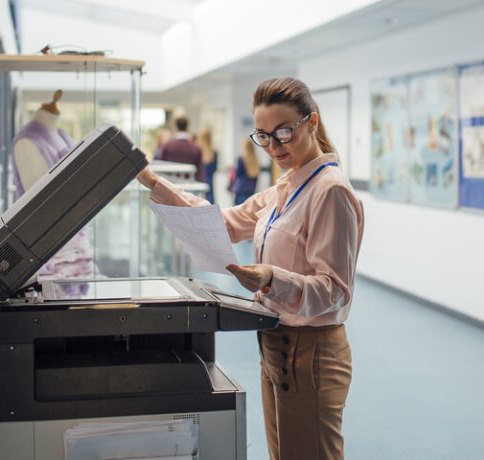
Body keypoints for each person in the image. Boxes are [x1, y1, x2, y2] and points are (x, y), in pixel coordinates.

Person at [138, 77, 364, 460]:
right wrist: (152, 181)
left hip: (312, 353)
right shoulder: (287, 186)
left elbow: (334, 290)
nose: (273, 147)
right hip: (276, 343)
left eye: (284, 133)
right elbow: (223, 222)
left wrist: (272, 278)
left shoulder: (330, 191)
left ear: (312, 123)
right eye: (263, 136)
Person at [11, 89, 94, 281]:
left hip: (77, 244)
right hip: (52, 251)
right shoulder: (27, 141)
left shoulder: (62, 134)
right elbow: (42, 204)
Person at [158, 115, 204, 181]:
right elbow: (200, 171)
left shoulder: (167, 146)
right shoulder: (196, 148)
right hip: (190, 186)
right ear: (187, 126)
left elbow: (162, 168)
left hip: (171, 186)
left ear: (175, 127)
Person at [231, 138, 260, 205]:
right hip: (250, 190)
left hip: (240, 189)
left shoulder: (241, 159)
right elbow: (256, 178)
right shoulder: (256, 160)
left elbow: (237, 173)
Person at [196, 127, 218, 203]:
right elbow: (215, 168)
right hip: (209, 180)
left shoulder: (198, 152)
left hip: (199, 180)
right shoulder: (214, 153)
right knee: (210, 200)